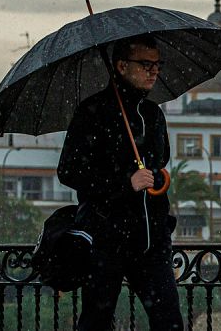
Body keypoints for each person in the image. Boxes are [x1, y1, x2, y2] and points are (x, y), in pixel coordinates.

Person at [58, 34, 183, 331]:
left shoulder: (153, 114)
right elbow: (70, 171)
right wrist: (124, 183)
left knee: (168, 320)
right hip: (105, 242)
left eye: (158, 64)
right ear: (122, 66)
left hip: (151, 241)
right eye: (146, 64)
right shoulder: (93, 112)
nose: (154, 71)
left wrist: (154, 181)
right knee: (96, 322)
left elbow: (159, 161)